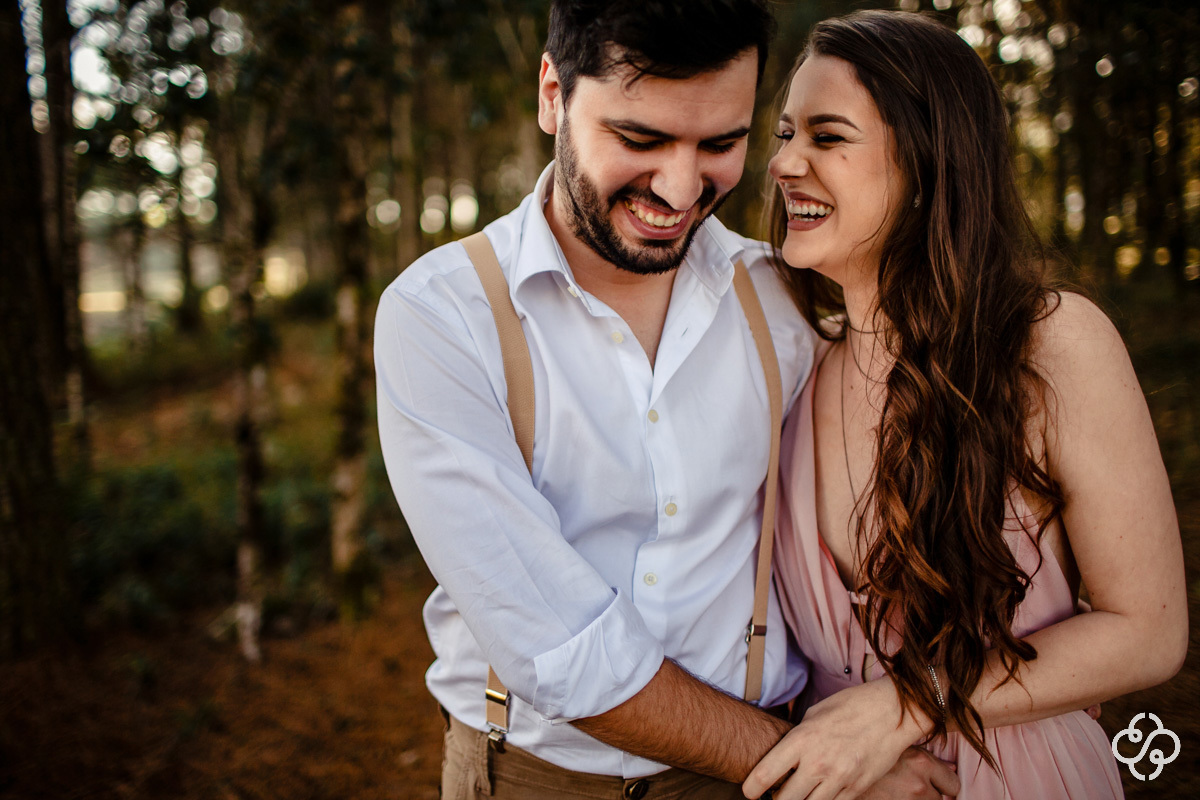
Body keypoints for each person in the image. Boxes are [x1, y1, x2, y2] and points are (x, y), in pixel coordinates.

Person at [375, 2, 958, 798]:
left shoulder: (788, 301)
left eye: (721, 143)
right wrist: (819, 766)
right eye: (640, 139)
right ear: (553, 93)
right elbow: (559, 645)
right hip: (535, 778)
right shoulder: (442, 316)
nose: (682, 189)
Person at [742, 10, 1188, 800]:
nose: (783, 164)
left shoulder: (1051, 346)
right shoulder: (795, 367)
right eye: (783, 135)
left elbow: (1148, 632)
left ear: (928, 164)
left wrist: (904, 706)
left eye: (827, 136)